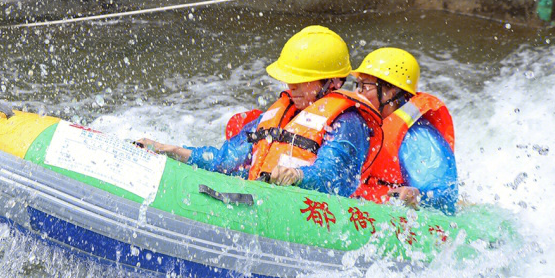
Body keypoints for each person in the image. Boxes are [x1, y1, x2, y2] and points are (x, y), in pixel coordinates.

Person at [137, 26, 381, 196]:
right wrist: (174, 151)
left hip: (305, 215)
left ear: (333, 83)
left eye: (301, 79)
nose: (291, 85)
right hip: (263, 199)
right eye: (289, 78)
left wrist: (297, 175)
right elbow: (227, 158)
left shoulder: (348, 123)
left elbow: (332, 177)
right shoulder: (282, 113)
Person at [349, 48, 458, 213]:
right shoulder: (363, 124)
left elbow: (444, 194)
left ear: (391, 90)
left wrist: (417, 195)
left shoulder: (418, 137)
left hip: (399, 215)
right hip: (365, 204)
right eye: (357, 85)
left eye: (365, 86)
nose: (357, 92)